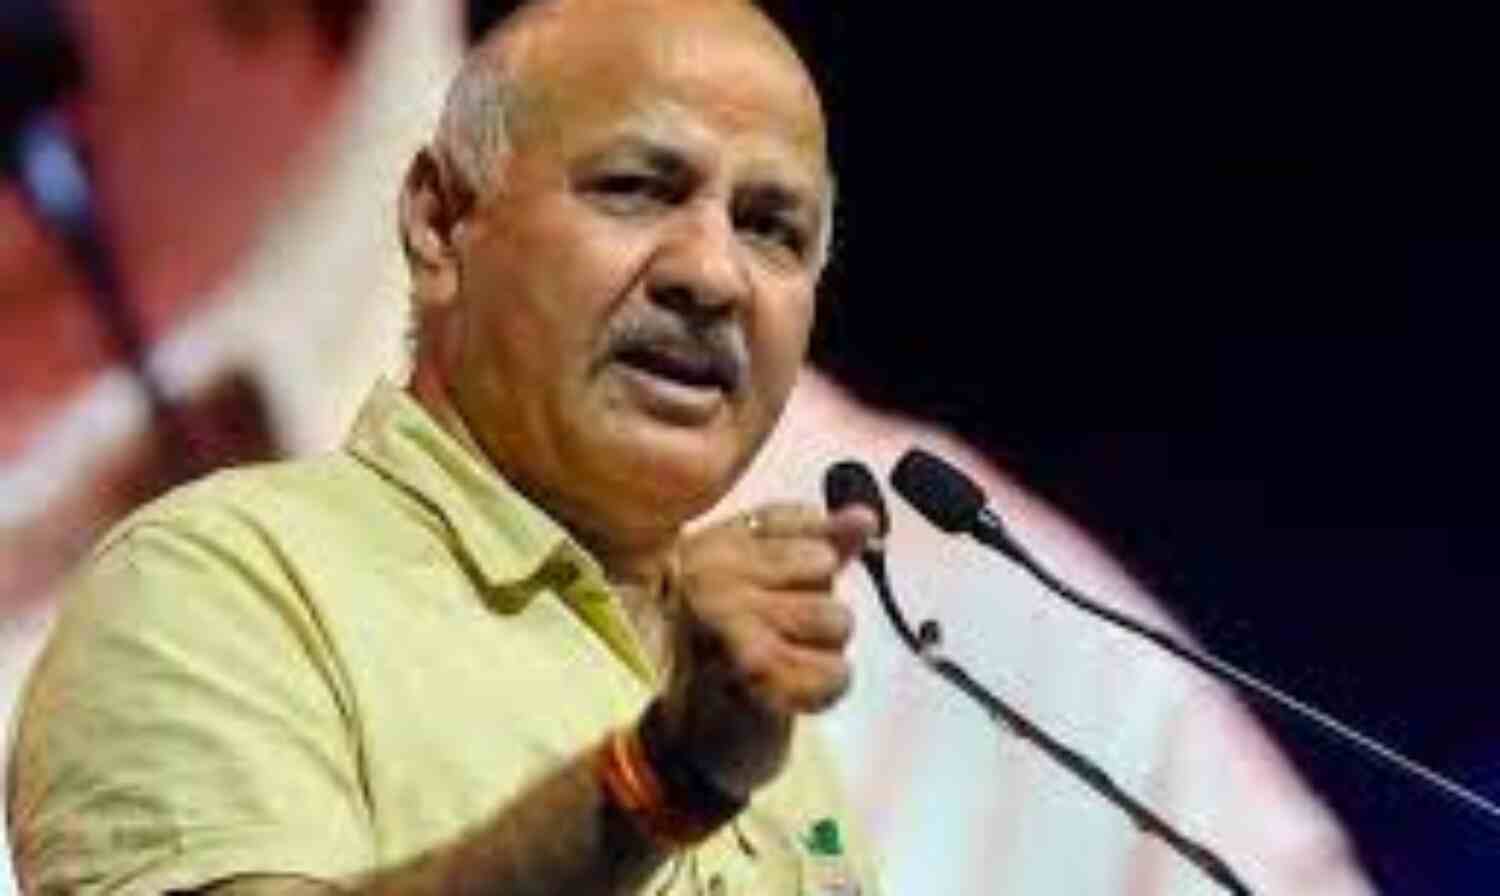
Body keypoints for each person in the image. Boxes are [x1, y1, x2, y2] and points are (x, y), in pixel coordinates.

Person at [8, 1, 884, 893]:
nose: (712, 273)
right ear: (439, 221)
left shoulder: (764, 718)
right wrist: (658, 783)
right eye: (636, 188)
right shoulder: (218, 588)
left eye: (772, 228)